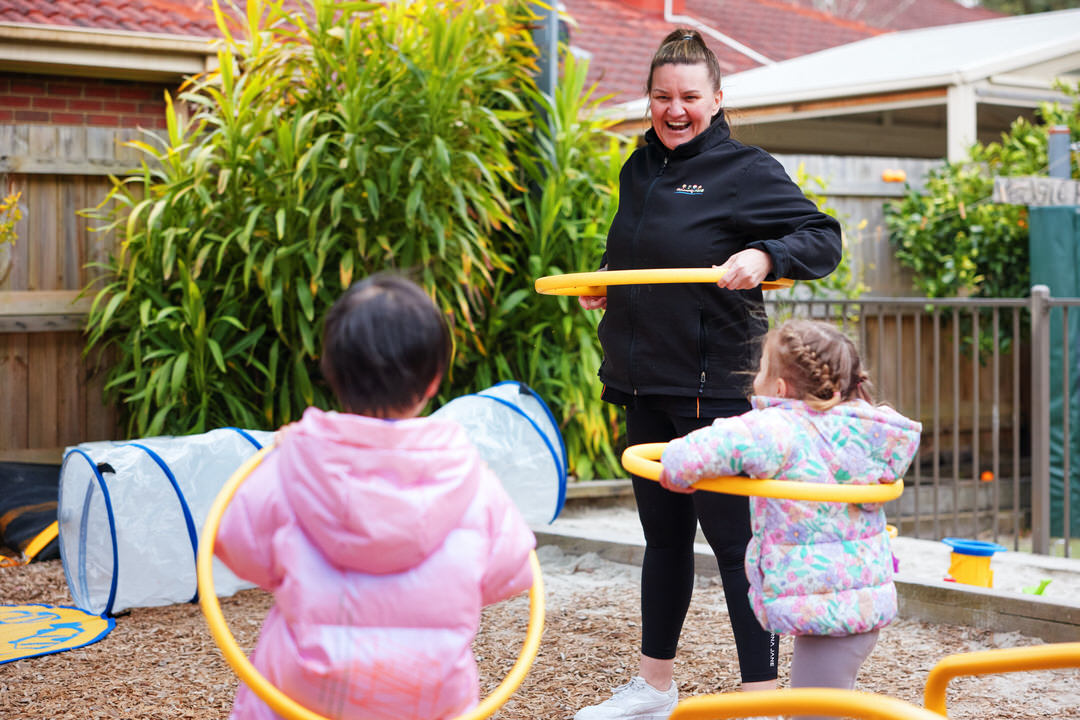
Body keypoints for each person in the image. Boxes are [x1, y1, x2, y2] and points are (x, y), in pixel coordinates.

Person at [574, 29, 843, 720]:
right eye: (662, 96)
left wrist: (766, 253)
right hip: (641, 379)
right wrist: (609, 282)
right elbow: (645, 251)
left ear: (717, 99)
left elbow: (823, 238)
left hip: (713, 385)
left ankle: (761, 698)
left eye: (690, 96)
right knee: (663, 540)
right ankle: (654, 688)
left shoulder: (744, 168)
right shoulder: (640, 168)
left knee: (733, 543)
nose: (674, 109)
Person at [214, 272, 536, 720]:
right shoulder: (470, 477)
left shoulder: (292, 466)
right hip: (428, 700)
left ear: (331, 372)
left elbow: (235, 546)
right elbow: (511, 573)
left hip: (302, 696)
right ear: (433, 381)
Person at [659, 319, 922, 720]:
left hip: (828, 613)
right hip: (855, 604)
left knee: (811, 713)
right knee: (828, 707)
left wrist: (676, 470)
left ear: (779, 389)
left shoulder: (777, 427)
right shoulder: (864, 426)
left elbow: (703, 449)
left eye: (761, 369)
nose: (754, 379)